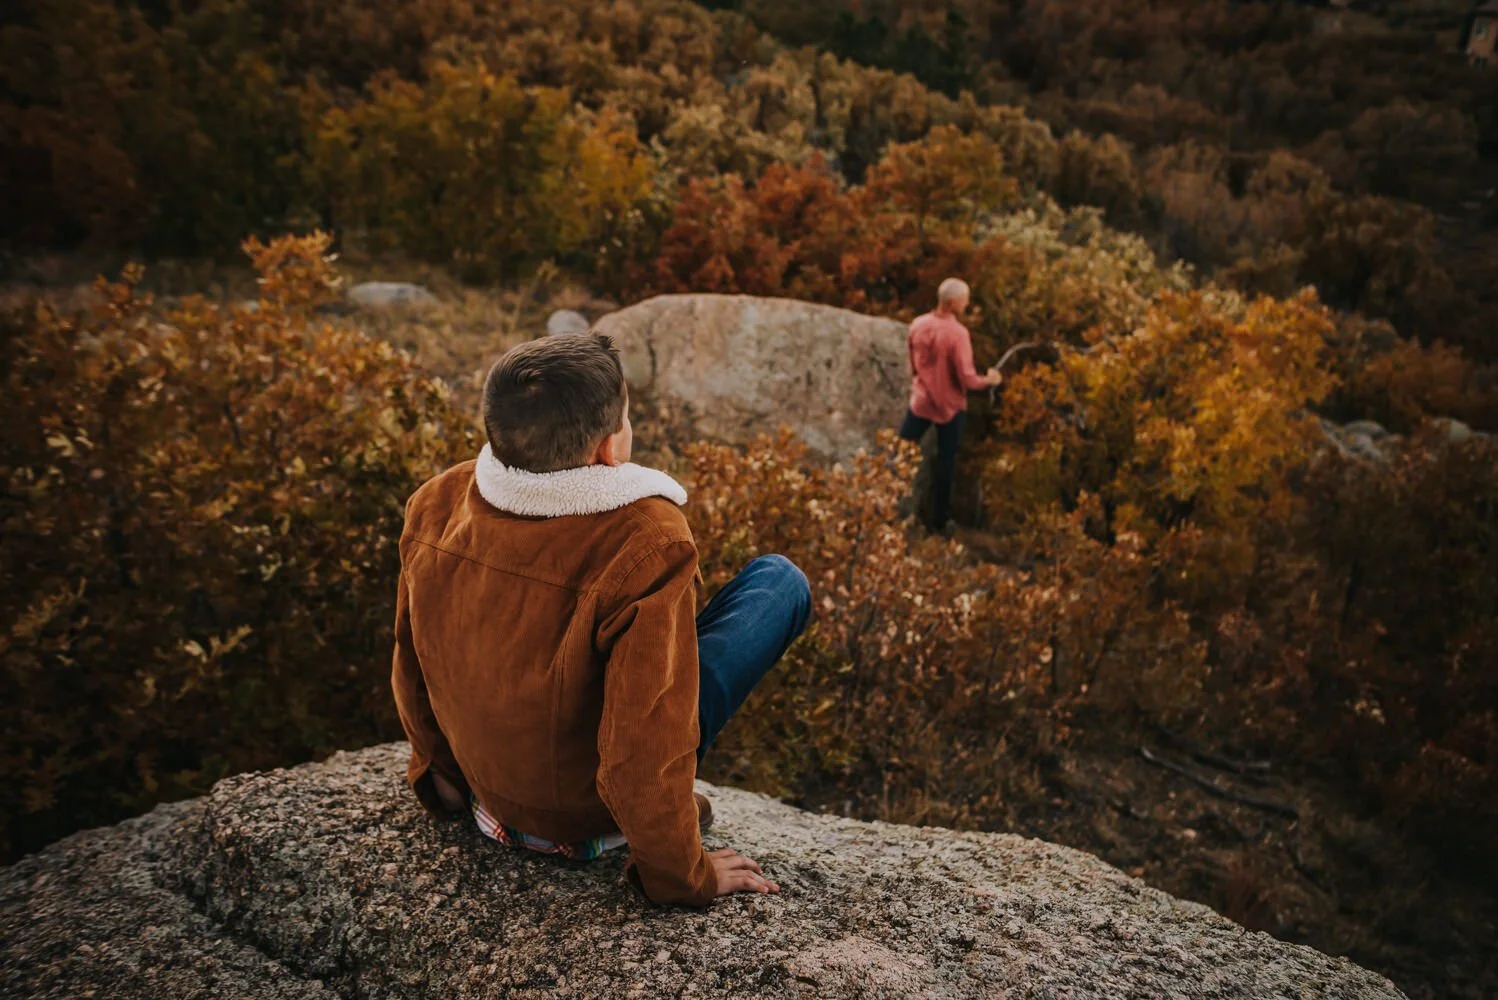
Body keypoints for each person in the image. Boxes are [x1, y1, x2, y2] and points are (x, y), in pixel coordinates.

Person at [392, 334, 811, 906]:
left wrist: (438, 769)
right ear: (611, 448)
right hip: (586, 815)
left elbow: (410, 660)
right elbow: (643, 741)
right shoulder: (645, 536)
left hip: (482, 787)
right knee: (779, 583)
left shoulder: (437, 501)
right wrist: (684, 873)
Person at [898, 277, 1002, 534]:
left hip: (921, 402)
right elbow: (966, 379)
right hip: (950, 408)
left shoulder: (918, 324)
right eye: (965, 300)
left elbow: (912, 366)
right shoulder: (958, 334)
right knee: (945, 465)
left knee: (900, 454)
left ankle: (885, 506)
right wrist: (989, 380)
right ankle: (939, 522)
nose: (967, 305)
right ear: (954, 302)